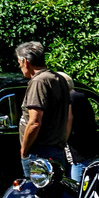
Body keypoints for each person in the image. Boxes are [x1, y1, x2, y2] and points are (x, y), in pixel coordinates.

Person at [15, 40, 73, 168]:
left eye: (19, 63)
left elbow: (34, 122)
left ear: (25, 61)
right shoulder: (60, 79)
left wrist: (24, 151)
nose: (20, 67)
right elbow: (69, 117)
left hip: (39, 153)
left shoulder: (39, 82)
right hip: (56, 150)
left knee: (34, 187)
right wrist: (61, 143)